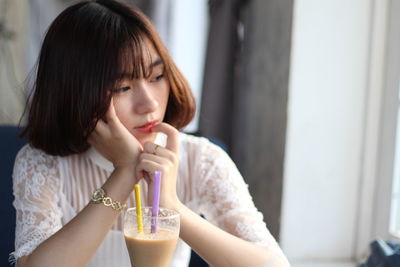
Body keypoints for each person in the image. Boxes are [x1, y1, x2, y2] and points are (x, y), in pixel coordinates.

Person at [10, 0, 290, 266]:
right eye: (122, 87)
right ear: (74, 93)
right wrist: (123, 173)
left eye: (157, 77)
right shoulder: (43, 164)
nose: (150, 104)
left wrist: (170, 205)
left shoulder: (201, 160)